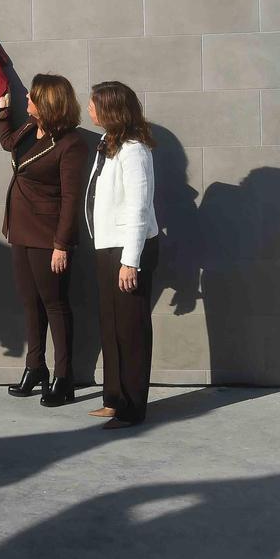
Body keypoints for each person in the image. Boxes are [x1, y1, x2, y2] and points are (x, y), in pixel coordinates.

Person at [0, 74, 89, 407]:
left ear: (47, 103)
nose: (26, 100)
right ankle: (35, 367)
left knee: (55, 305)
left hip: (47, 236)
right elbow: (8, 144)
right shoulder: (29, 130)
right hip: (19, 229)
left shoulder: (71, 143)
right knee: (29, 303)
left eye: (32, 97)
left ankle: (64, 378)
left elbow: (71, 197)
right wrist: (3, 112)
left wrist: (62, 244)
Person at [85, 81, 159, 429]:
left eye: (94, 103)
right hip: (107, 247)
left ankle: (132, 408)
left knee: (131, 330)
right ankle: (113, 399)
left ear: (111, 109)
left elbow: (138, 208)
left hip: (128, 249)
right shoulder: (109, 146)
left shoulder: (134, 151)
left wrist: (130, 260)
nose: (89, 108)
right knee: (111, 326)